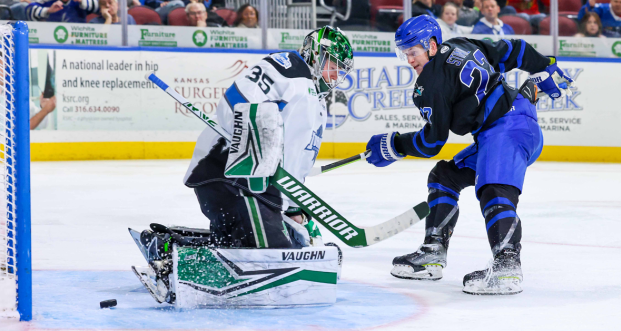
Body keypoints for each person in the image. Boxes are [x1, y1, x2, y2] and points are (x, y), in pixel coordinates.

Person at [134, 26, 353, 303]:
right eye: (332, 65)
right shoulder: (289, 68)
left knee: (246, 248)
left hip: (258, 190)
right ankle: (175, 262)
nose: (335, 75)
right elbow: (234, 101)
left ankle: (172, 248)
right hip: (232, 176)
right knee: (276, 264)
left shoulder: (317, 104)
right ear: (315, 55)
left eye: (339, 69)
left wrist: (295, 207)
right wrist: (251, 142)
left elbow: (296, 164)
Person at [364, 15, 573, 295]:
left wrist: (396, 145)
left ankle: (506, 266)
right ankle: (433, 253)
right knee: (445, 176)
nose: (410, 60)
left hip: (506, 129)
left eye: (413, 52)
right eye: (405, 54)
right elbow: (516, 50)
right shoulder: (463, 44)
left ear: (432, 45)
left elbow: (431, 142)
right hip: (515, 123)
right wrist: (544, 64)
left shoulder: (429, 85)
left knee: (494, 190)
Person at [26, 0, 99, 22]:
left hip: (77, 40)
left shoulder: (80, 2)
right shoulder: (47, 1)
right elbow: (28, 10)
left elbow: (102, 8)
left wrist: (82, 1)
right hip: (49, 40)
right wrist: (48, 10)